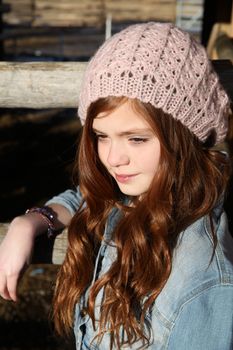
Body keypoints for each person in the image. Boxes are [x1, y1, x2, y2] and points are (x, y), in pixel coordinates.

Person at [0, 22, 233, 349]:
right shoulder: (136, 192)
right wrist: (31, 222)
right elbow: (86, 195)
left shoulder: (203, 280)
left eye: (136, 139)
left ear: (186, 137)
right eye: (101, 136)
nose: (113, 159)